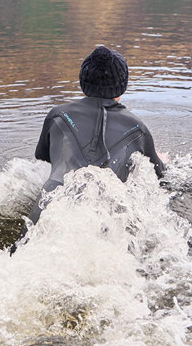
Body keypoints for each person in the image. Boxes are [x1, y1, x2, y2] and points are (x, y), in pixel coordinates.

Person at [30, 45, 164, 223]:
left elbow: (42, 156)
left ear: (83, 82)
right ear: (122, 86)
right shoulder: (137, 128)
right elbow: (159, 174)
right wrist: (160, 159)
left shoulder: (58, 115)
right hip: (103, 212)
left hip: (49, 205)